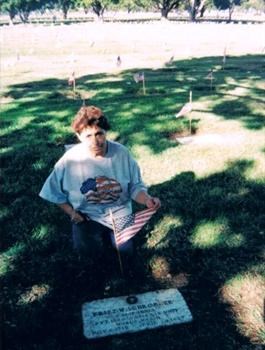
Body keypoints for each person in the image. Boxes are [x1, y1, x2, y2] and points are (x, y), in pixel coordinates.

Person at [39, 106, 161, 279]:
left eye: (99, 134)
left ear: (106, 132)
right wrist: (72, 213)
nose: (95, 141)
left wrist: (147, 200)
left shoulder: (121, 153)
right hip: (87, 215)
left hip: (119, 213)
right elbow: (53, 192)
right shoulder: (70, 160)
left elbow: (135, 186)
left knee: (125, 253)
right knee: (88, 254)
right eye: (88, 136)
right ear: (78, 136)